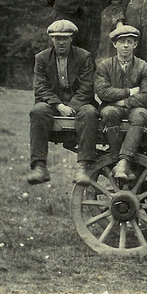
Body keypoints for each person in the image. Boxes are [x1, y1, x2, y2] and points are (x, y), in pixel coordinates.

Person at [28, 20, 99, 185]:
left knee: (89, 112)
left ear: (71, 39)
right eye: (57, 38)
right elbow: (40, 87)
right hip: (54, 105)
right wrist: (59, 106)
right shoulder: (42, 58)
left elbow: (87, 87)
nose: (61, 42)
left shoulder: (84, 56)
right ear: (52, 39)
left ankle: (83, 168)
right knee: (38, 110)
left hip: (79, 104)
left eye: (65, 38)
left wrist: (71, 107)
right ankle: (39, 166)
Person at [95, 25, 147, 182]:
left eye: (130, 41)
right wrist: (129, 92)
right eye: (122, 41)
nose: (126, 45)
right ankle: (118, 159)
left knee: (141, 115)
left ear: (135, 44)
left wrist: (121, 102)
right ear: (115, 44)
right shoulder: (105, 66)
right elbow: (102, 92)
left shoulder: (144, 67)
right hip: (112, 108)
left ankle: (123, 162)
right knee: (109, 113)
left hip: (136, 109)